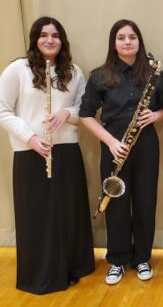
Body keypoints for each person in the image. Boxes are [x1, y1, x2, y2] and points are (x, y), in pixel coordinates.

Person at [0, 17, 95, 294]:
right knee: (37, 215)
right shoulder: (17, 69)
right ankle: (41, 273)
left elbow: (83, 108)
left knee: (66, 212)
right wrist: (30, 138)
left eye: (55, 35)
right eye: (43, 35)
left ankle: (70, 267)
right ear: (35, 39)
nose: (50, 40)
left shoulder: (74, 71)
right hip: (31, 151)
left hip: (66, 150)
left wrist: (68, 113)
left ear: (62, 40)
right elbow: (3, 110)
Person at [79, 19, 163, 285]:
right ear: (113, 43)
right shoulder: (100, 75)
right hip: (114, 147)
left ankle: (142, 258)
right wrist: (110, 142)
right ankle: (116, 260)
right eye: (121, 37)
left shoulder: (154, 73)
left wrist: (156, 116)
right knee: (115, 203)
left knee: (145, 202)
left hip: (146, 146)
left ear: (139, 41)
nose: (127, 42)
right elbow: (85, 115)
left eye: (132, 37)